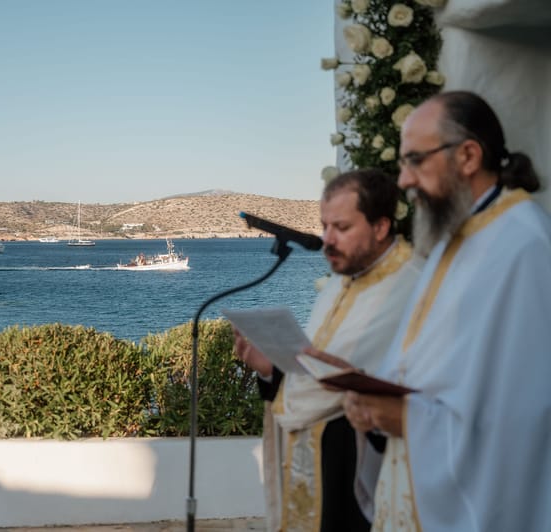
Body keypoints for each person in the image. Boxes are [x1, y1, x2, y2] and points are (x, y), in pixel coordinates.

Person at [337, 90, 551, 531]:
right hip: (413, 476)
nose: (403, 180)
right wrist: (375, 415)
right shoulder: (452, 240)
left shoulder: (525, 246)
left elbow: (527, 414)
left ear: (468, 156)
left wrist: (409, 419)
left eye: (415, 160)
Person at [234, 168, 423, 532]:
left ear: (381, 227)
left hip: (361, 463)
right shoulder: (342, 280)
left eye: (342, 228)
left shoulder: (411, 284)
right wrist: (269, 368)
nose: (327, 240)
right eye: (324, 226)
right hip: (317, 454)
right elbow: (314, 368)